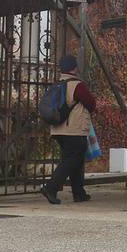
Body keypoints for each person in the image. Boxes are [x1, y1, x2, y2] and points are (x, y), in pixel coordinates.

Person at [40, 54, 100, 205]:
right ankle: (50, 188)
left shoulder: (58, 83)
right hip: (74, 130)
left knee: (76, 160)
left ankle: (79, 192)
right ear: (74, 67)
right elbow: (91, 103)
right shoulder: (77, 85)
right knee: (71, 159)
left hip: (58, 130)